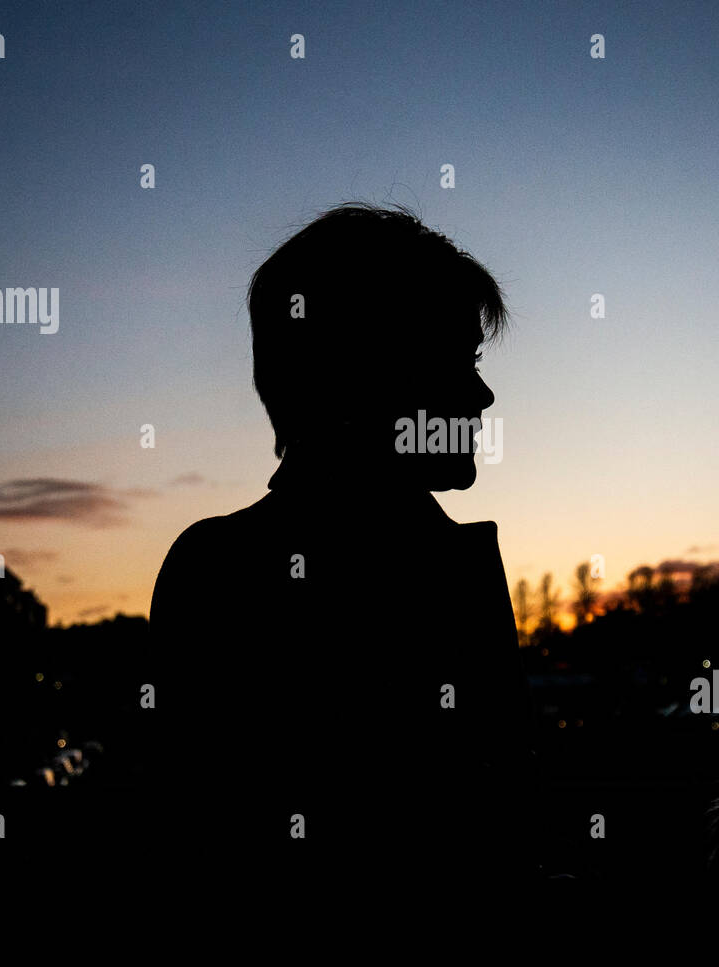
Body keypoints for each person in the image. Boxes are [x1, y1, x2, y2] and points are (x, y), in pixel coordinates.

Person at [148, 203, 538, 916]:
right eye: (459, 358)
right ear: (377, 374)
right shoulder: (230, 576)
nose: (482, 394)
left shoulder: (217, 566)